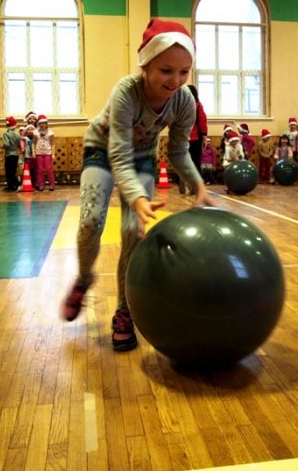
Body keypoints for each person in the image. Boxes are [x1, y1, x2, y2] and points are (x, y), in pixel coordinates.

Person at [60, 18, 216, 352]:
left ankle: (124, 311)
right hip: (102, 151)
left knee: (134, 230)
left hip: (143, 158)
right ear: (145, 65)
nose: (175, 80)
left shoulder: (185, 102)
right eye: (166, 70)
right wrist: (137, 198)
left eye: (184, 72)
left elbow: (178, 151)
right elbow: (118, 155)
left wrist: (198, 184)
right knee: (90, 220)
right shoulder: (126, 92)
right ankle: (84, 279)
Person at [181, 84, 208, 194]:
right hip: (195, 137)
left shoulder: (180, 105)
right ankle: (195, 186)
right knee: (195, 161)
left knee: (182, 161)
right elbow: (202, 120)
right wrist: (205, 136)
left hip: (182, 137)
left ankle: (183, 180)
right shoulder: (198, 105)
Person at [34, 115, 55, 191]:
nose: (42, 125)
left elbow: (53, 144)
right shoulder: (36, 132)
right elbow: (34, 143)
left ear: (46, 124)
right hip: (39, 152)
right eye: (40, 123)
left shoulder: (50, 132)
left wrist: (53, 153)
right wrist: (33, 152)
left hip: (47, 153)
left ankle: (52, 184)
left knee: (49, 169)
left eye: (43, 123)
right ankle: (41, 185)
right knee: (40, 169)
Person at [2, 116, 21, 191]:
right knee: (13, 171)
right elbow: (19, 144)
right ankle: (15, 185)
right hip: (15, 155)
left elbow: (6, 144)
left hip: (9, 155)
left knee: (8, 172)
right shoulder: (17, 134)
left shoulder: (6, 134)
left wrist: (2, 146)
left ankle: (13, 186)